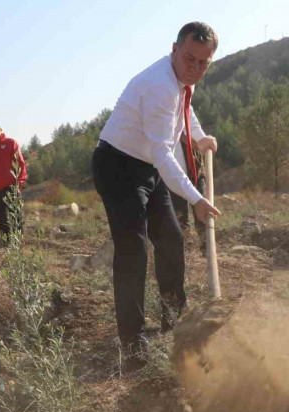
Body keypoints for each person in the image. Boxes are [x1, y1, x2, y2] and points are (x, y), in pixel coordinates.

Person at [92, 22, 222, 371]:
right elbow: (165, 154)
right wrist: (196, 198)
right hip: (118, 167)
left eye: (203, 63)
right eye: (189, 58)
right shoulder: (159, 86)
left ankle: (174, 322)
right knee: (133, 250)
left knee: (171, 238)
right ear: (175, 48)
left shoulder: (178, 83)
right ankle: (133, 345)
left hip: (146, 167)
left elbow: (185, 111)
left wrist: (198, 136)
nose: (195, 68)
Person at [169, 134, 207, 251]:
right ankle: (188, 252)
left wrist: (181, 134)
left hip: (195, 172)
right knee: (180, 216)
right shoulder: (163, 121)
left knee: (202, 213)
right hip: (174, 176)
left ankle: (206, 247)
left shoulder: (187, 118)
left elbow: (199, 142)